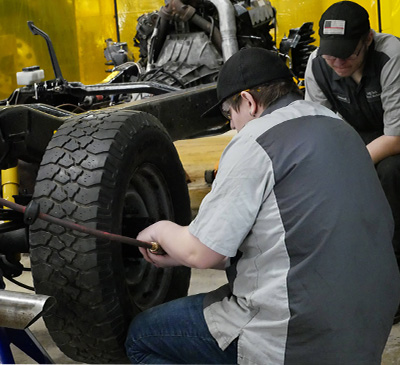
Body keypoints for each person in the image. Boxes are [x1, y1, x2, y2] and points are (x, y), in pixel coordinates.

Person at [125, 47, 400, 364]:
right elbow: (290, 239)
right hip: (370, 323)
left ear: (250, 101)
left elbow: (200, 251)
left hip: (299, 332)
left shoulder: (256, 139)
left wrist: (160, 230)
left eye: (230, 114)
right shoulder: (339, 126)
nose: (232, 126)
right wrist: (181, 252)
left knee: (142, 338)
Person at [304, 1, 400, 275]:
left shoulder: (390, 56)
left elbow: (395, 137)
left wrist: (351, 164)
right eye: (331, 55)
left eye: (347, 54)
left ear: (368, 39)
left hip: (395, 136)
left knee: (390, 173)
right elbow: (317, 130)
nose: (338, 62)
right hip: (364, 135)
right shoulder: (317, 65)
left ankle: (393, 271)